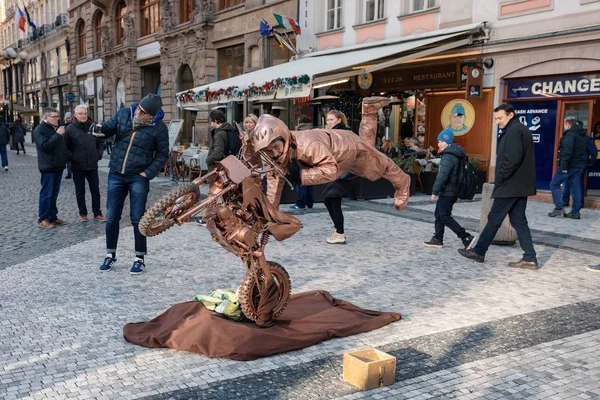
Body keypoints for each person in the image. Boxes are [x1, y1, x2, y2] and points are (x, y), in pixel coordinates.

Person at [252, 96, 409, 213]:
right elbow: (274, 184)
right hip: (336, 144)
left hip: (347, 149)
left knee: (379, 166)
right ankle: (369, 111)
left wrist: (300, 176)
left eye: (275, 147)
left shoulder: (307, 145)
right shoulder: (276, 154)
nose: (273, 153)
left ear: (283, 137)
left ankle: (403, 183)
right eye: (267, 151)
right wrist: (271, 214)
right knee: (369, 145)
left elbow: (330, 170)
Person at [93, 93, 169, 274]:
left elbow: (162, 155)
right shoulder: (124, 114)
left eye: (144, 113)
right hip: (116, 174)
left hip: (138, 177)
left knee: (138, 218)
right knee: (112, 216)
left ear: (153, 115)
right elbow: (108, 129)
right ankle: (110, 255)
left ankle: (139, 257)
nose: (139, 114)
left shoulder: (159, 128)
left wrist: (147, 174)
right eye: (139, 110)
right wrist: (98, 130)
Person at [458, 103, 537, 270]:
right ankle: (530, 258)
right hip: (518, 185)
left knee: (494, 218)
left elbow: (512, 160)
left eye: (500, 118)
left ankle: (479, 251)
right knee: (519, 221)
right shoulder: (518, 129)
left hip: (510, 185)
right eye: (496, 119)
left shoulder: (515, 130)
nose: (497, 121)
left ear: (511, 115)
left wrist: (499, 179)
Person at [424, 129, 474, 249]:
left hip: (448, 190)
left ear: (447, 141)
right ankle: (437, 238)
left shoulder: (448, 156)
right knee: (439, 214)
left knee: (444, 216)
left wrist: (434, 191)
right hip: (452, 190)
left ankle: (466, 237)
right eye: (438, 141)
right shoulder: (456, 154)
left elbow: (442, 176)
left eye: (441, 141)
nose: (439, 144)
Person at [63, 105, 107, 223]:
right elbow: (64, 147)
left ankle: (97, 213)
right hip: (77, 166)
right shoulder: (70, 129)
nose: (83, 116)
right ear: (75, 115)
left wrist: (98, 155)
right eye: (80, 114)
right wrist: (72, 157)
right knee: (80, 191)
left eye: (85, 113)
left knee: (95, 190)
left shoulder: (93, 127)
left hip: (92, 164)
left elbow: (101, 141)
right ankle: (83, 213)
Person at [34, 107, 70, 229]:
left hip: (58, 166)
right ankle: (43, 218)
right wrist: (58, 135)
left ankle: (52, 216)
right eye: (54, 117)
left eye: (57, 116)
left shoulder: (55, 128)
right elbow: (45, 146)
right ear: (46, 117)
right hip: (48, 167)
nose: (57, 119)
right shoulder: (39, 130)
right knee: (46, 194)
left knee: (54, 194)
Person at [320, 110, 352, 244]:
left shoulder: (341, 133)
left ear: (339, 120)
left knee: (334, 202)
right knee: (329, 201)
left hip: (339, 170)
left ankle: (340, 233)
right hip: (334, 170)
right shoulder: (334, 133)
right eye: (327, 120)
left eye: (331, 120)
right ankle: (337, 229)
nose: (329, 122)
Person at [548, 117, 589, 219]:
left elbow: (567, 151)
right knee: (576, 188)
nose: (564, 127)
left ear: (568, 125)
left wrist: (564, 166)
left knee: (554, 184)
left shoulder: (570, 134)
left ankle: (559, 208)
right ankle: (575, 212)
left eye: (564, 125)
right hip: (579, 165)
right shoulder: (583, 135)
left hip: (569, 165)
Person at [562, 129, 599, 209]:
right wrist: (592, 162)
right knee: (577, 183)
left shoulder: (571, 136)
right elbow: (594, 151)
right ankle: (578, 203)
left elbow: (566, 150)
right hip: (580, 163)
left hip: (572, 163)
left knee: (568, 181)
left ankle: (566, 201)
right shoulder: (586, 137)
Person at [290, 115, 315, 210]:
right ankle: (310, 202)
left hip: (300, 159)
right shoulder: (313, 132)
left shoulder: (298, 133)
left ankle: (300, 203)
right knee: (310, 182)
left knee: (301, 182)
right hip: (312, 159)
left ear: (299, 123)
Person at [63, 112, 74, 179]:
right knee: (68, 161)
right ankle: (69, 173)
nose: (67, 119)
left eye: (68, 118)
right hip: (67, 146)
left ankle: (72, 172)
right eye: (66, 118)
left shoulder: (73, 125)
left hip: (73, 145)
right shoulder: (65, 125)